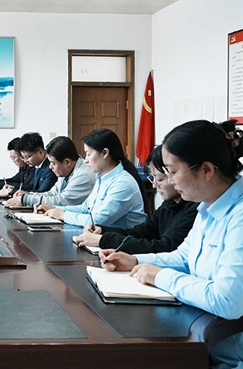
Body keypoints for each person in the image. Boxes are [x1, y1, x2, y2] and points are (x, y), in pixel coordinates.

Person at [100, 120, 243, 368]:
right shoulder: (208, 206)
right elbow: (184, 257)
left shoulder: (239, 215)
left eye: (173, 172)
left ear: (206, 170)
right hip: (205, 339)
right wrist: (135, 261)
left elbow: (227, 301)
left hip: (228, 357)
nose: (169, 180)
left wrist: (160, 276)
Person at [73, 145, 198, 253]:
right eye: (153, 178)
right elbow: (142, 232)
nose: (154, 186)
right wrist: (102, 230)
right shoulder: (169, 204)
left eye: (160, 179)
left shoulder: (194, 209)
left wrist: (104, 239)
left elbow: (165, 247)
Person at [43, 128, 147, 228]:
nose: (86, 160)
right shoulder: (101, 178)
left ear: (105, 153)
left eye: (88, 154)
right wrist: (53, 209)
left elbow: (97, 221)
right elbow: (85, 209)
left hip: (121, 239)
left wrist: (63, 215)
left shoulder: (123, 183)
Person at [4, 136, 94, 209]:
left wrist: (25, 199)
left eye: (53, 163)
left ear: (67, 162)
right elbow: (51, 194)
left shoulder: (83, 176)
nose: (50, 167)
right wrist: (27, 195)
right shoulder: (66, 171)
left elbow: (61, 201)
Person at [0, 132, 57, 200]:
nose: (25, 161)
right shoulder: (37, 166)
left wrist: (12, 191)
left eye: (27, 157)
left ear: (40, 152)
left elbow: (41, 193)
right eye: (23, 157)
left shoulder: (50, 168)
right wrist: (13, 189)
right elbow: (31, 187)